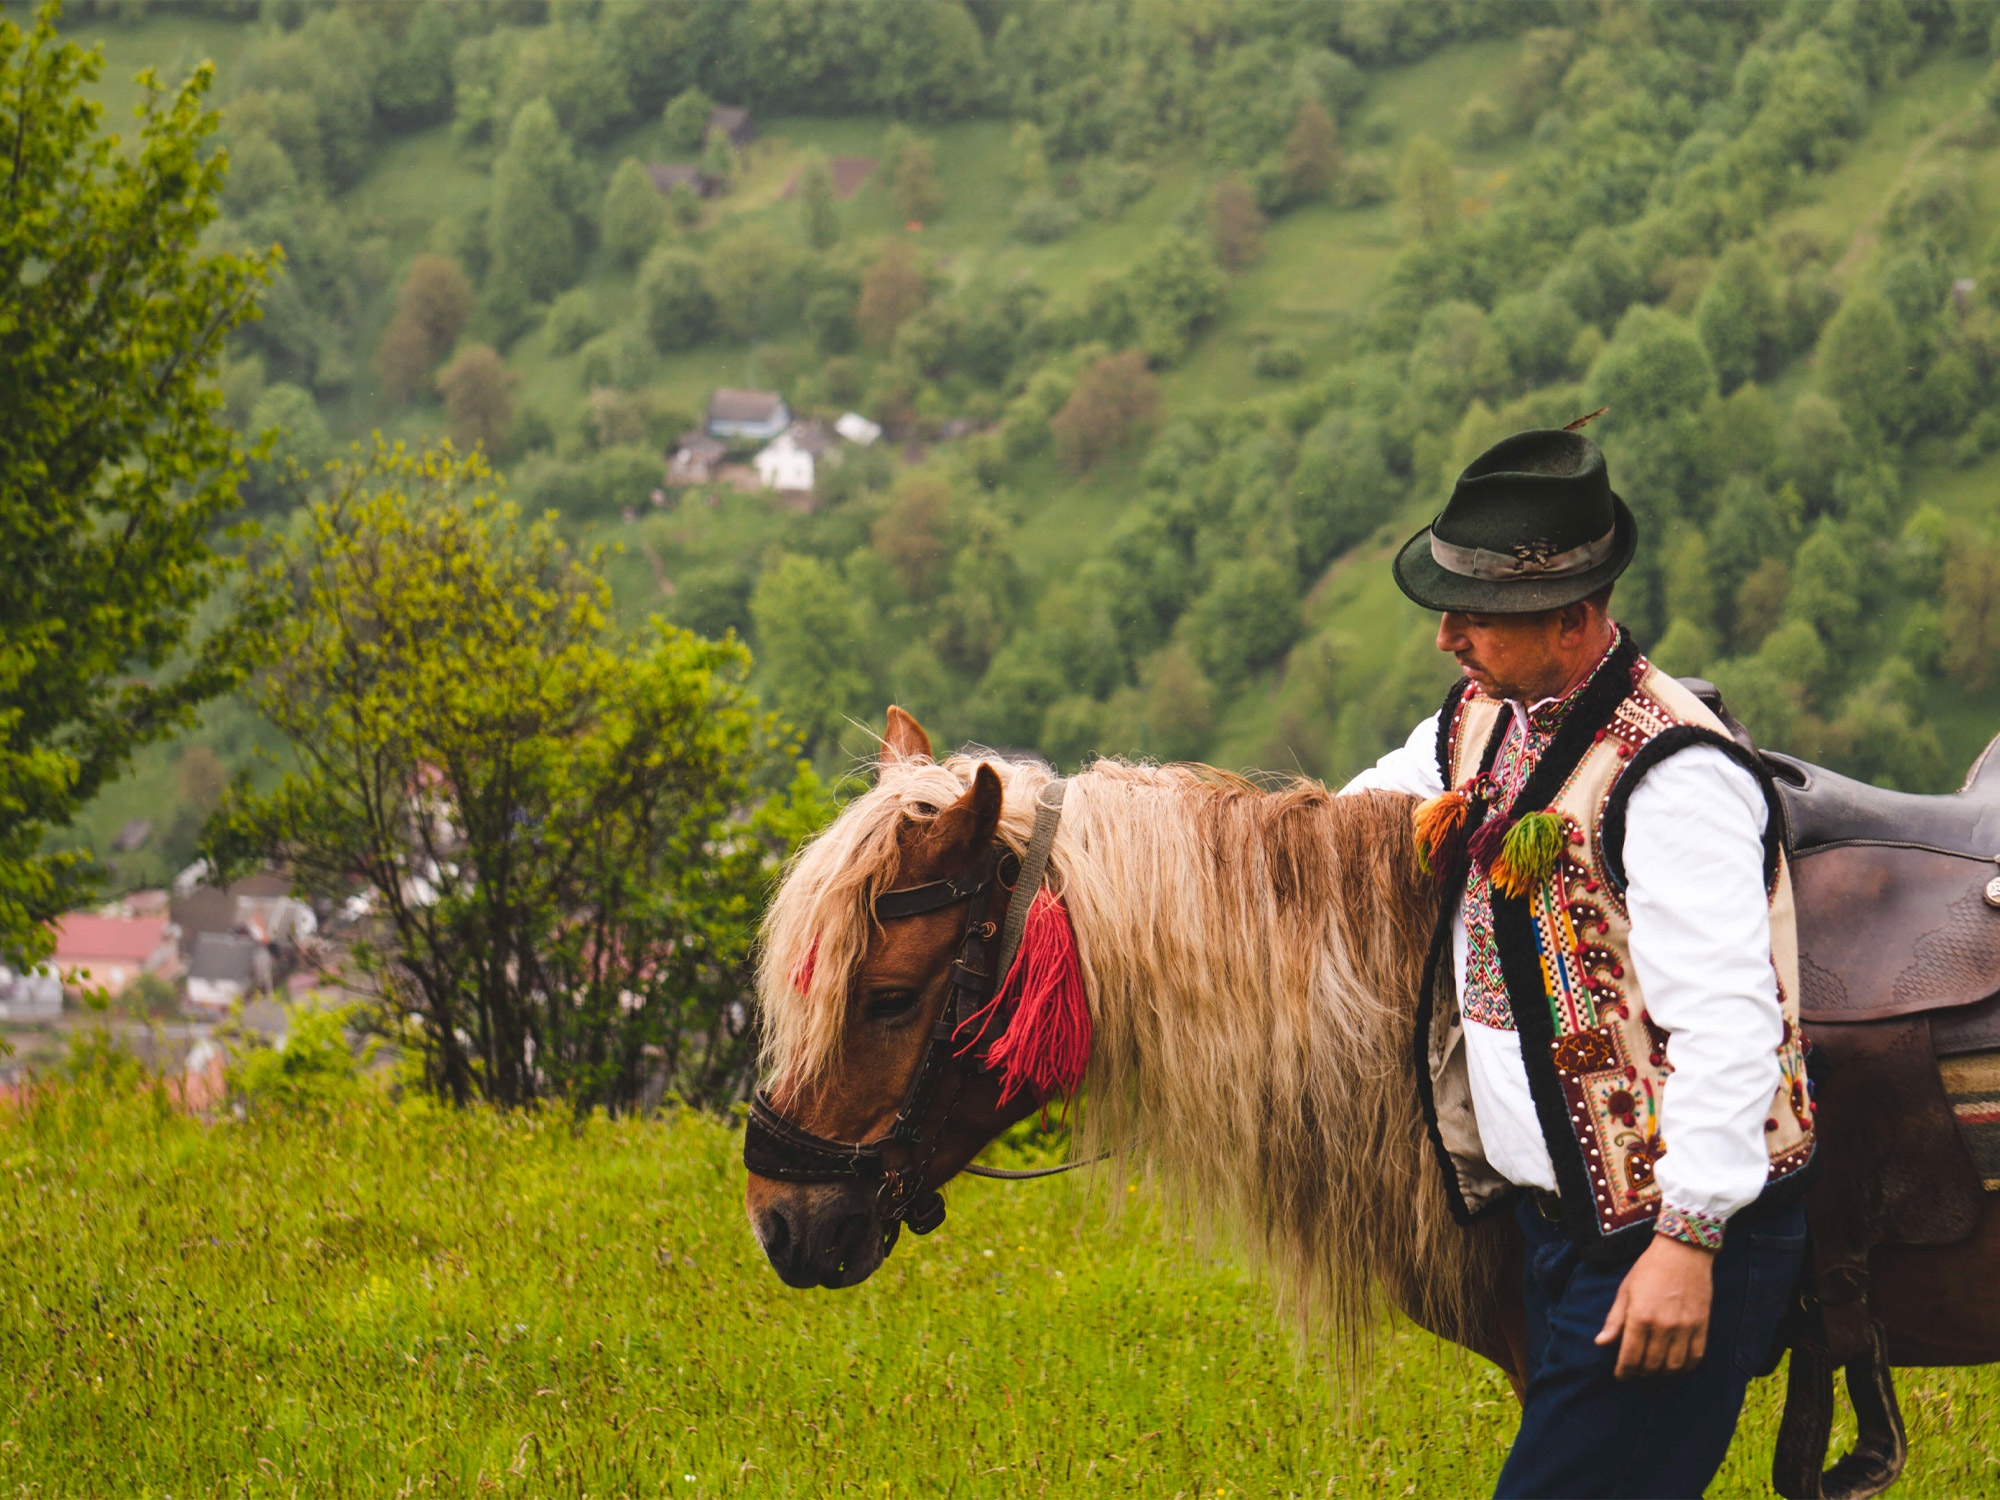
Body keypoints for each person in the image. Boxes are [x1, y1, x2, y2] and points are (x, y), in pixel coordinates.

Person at [1342, 429, 1815, 1499]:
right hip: (1559, 1226)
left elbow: (1731, 1023)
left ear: (1571, 617)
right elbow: (1359, 811)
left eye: (1476, 613)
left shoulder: (1672, 774)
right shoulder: (1482, 720)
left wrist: (1686, 1243)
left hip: (1665, 1237)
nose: (1447, 637)